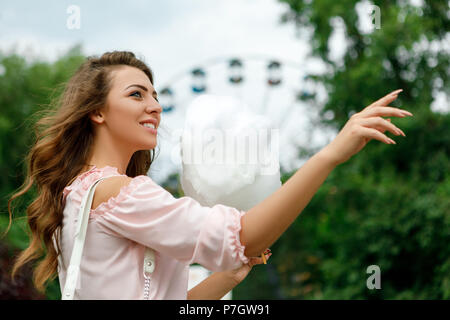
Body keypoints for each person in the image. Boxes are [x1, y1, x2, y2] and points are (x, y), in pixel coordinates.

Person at [6, 51, 412, 300]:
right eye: (136, 94)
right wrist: (329, 155)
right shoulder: (119, 193)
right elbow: (239, 236)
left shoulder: (79, 191)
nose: (154, 106)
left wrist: (232, 273)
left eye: (156, 95)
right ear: (96, 111)